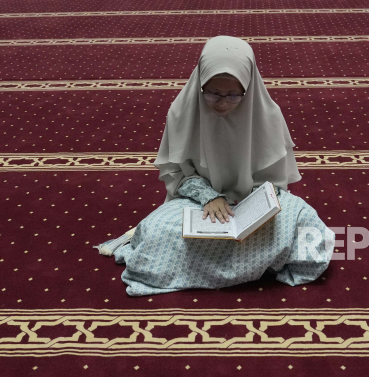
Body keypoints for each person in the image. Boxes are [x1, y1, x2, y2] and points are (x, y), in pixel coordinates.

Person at [96, 36, 334, 296]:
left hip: (252, 204)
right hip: (197, 204)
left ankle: (214, 263)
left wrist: (255, 207)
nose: (222, 103)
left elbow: (275, 183)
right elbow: (176, 173)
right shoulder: (181, 112)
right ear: (199, 83)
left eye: (233, 95)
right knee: (156, 232)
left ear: (249, 87)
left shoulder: (268, 115)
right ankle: (257, 264)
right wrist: (209, 197)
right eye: (212, 93)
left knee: (308, 225)